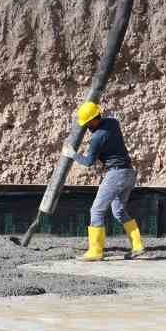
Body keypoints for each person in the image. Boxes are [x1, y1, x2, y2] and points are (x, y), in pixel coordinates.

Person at [62, 101, 146, 261]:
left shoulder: (97, 138)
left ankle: (95, 251)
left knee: (96, 211)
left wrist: (72, 154)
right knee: (119, 211)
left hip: (116, 174)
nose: (86, 127)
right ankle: (138, 245)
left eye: (87, 123)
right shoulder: (113, 123)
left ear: (93, 120)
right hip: (129, 172)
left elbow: (88, 162)